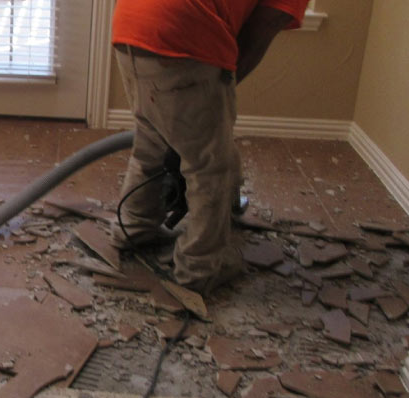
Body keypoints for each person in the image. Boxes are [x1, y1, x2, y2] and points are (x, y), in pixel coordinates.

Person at [110, 0, 310, 295]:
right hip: (182, 39)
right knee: (211, 169)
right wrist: (214, 93)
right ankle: (200, 268)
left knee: (151, 143)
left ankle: (134, 228)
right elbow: (264, 27)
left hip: (131, 28)